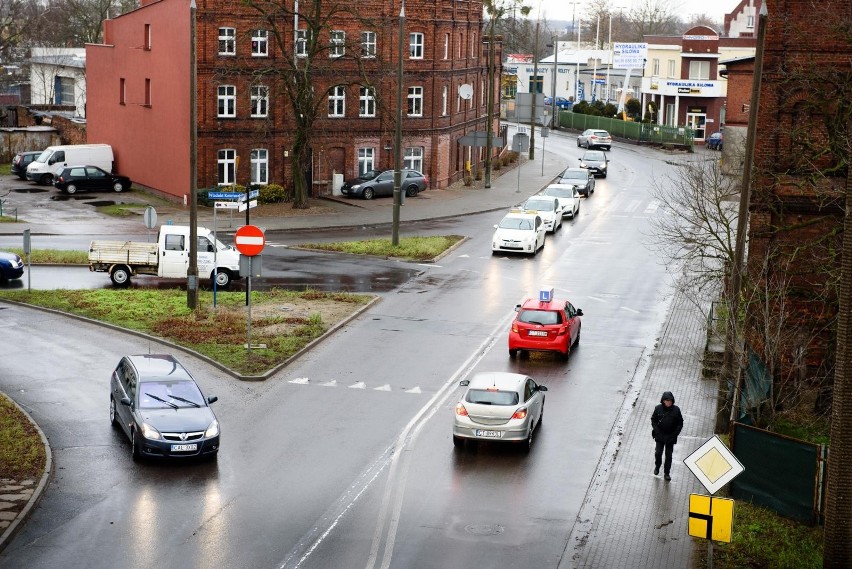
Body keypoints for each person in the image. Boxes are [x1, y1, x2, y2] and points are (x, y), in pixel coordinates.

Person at [651, 391, 684, 481]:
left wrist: (675, 434)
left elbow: (680, 423)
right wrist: (657, 431)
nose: (668, 402)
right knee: (658, 453)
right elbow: (653, 420)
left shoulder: (676, 410)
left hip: (670, 437)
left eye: (670, 401)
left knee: (668, 456)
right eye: (667, 400)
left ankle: (667, 473)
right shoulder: (658, 408)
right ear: (663, 401)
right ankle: (657, 466)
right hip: (659, 435)